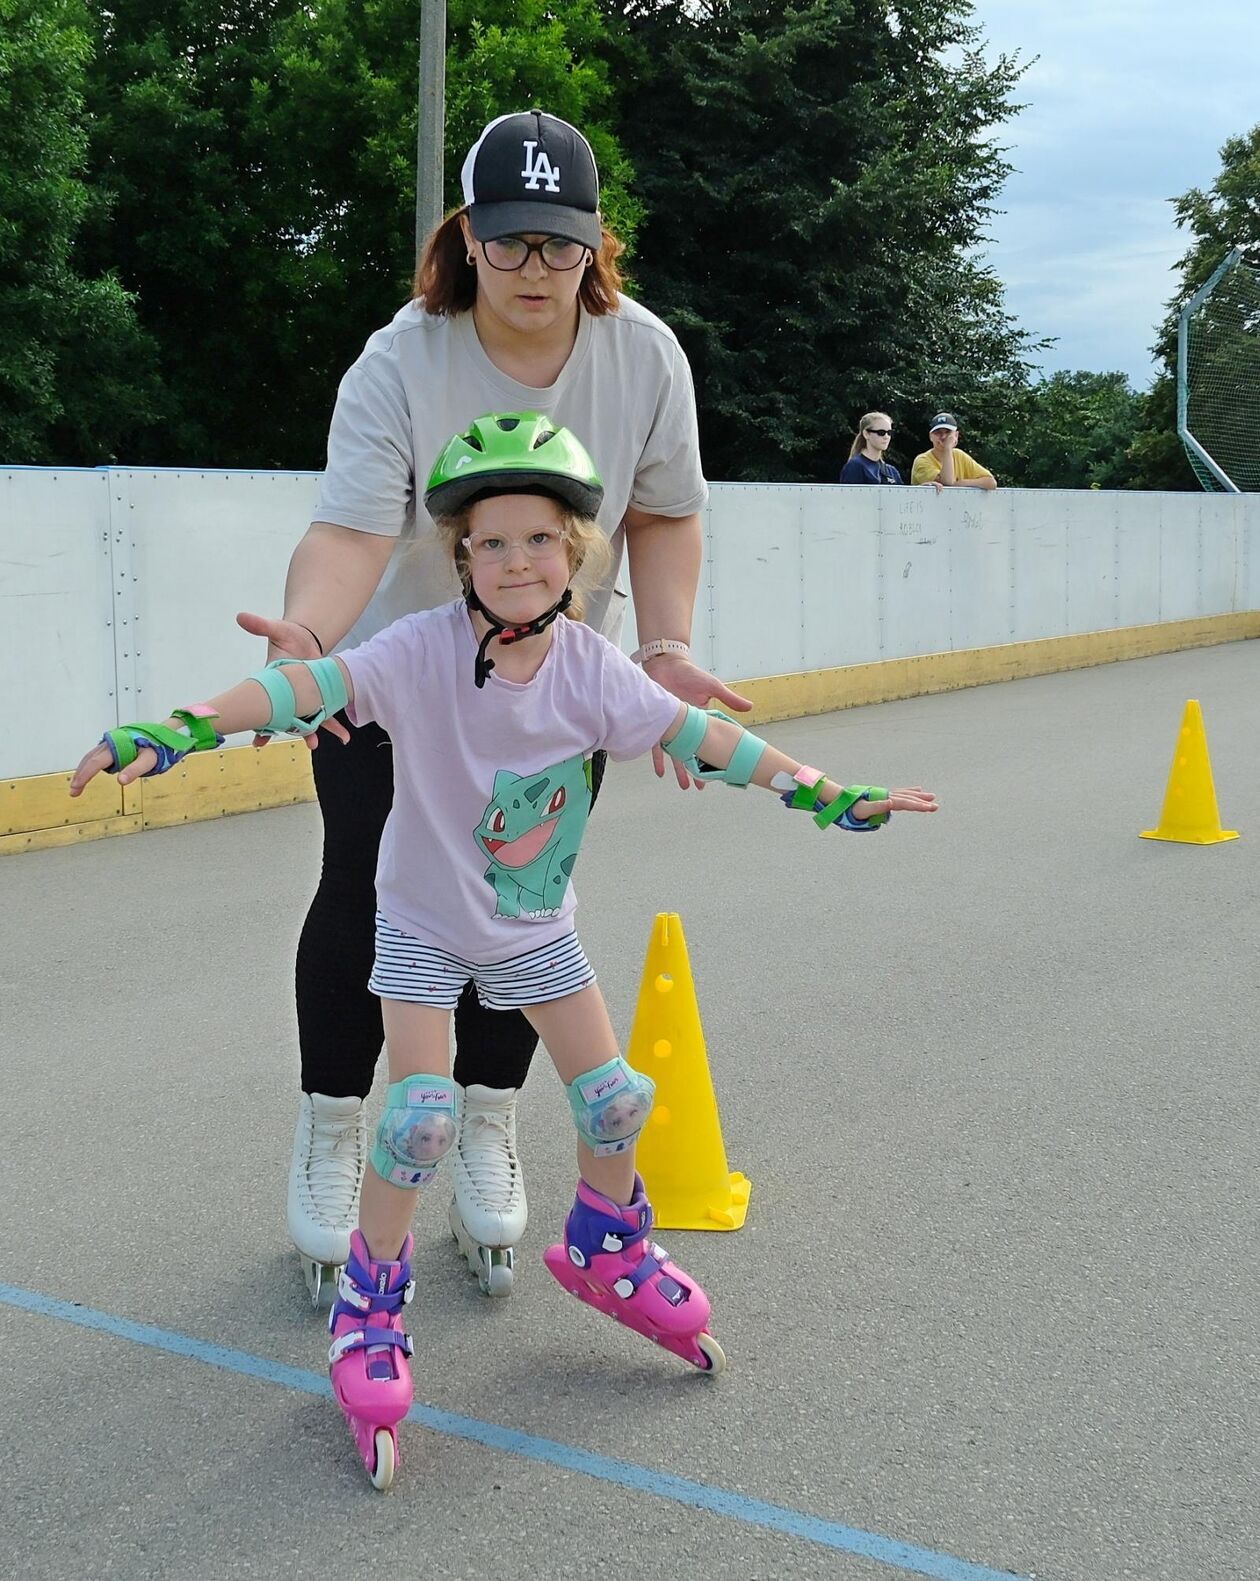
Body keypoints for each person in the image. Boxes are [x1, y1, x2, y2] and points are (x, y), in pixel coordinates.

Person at [69, 414, 939, 1489]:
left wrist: (819, 790)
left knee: (617, 1099)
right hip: (425, 922)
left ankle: (605, 1247)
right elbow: (309, 689)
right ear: (461, 558)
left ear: (573, 553)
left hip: (536, 928)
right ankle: (371, 1304)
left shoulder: (592, 669)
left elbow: (701, 736)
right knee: (422, 1119)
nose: (516, 559)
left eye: (538, 539)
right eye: (491, 542)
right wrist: (179, 727)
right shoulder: (421, 651)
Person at [234, 109, 752, 1305]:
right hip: (400, 684)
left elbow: (667, 509)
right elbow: (356, 526)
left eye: (559, 247)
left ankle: (485, 1117)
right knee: (367, 888)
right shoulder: (403, 357)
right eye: (509, 244)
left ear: (593, 243)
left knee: (521, 905)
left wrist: (664, 644)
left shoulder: (643, 356)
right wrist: (308, 639)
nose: (534, 271)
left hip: (548, 686)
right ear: (465, 236)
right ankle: (332, 1125)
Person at [910, 413, 998, 490]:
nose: (943, 437)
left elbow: (991, 483)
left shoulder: (959, 455)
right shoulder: (922, 460)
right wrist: (948, 449)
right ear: (930, 436)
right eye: (938, 432)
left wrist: (961, 483)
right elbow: (947, 482)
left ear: (956, 435)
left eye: (948, 432)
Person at [839, 412, 904, 484]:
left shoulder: (892, 472)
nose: (886, 437)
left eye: (889, 432)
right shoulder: (855, 466)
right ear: (866, 434)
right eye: (881, 432)